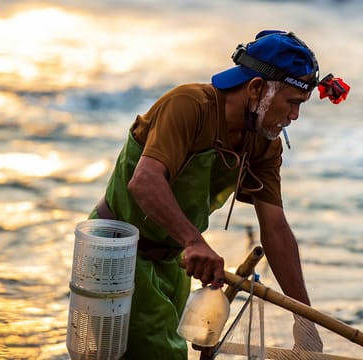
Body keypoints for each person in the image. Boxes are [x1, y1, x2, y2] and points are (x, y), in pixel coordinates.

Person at [90, 29, 349, 359]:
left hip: (173, 262)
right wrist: (194, 241)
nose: (294, 116)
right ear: (257, 89)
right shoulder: (188, 106)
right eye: (293, 103)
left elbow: (276, 229)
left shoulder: (264, 143)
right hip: (117, 252)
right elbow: (144, 182)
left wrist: (305, 320)